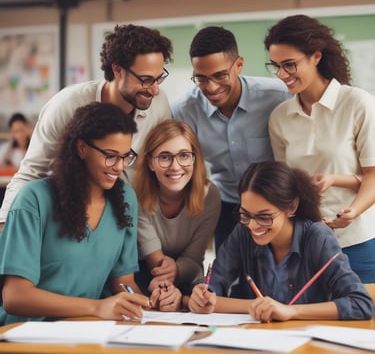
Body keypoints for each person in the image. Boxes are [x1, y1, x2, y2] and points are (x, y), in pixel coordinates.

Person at [0, 23, 173, 225]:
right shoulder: (66, 105)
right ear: (117, 70)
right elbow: (31, 173)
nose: (155, 90)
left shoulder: (158, 105)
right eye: (145, 80)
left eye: (158, 79)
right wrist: (4, 226)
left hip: (131, 220)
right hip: (69, 219)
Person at [0, 102, 154, 325]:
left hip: (85, 329)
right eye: (110, 155)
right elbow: (15, 297)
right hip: (26, 333)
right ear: (82, 148)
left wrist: (144, 300)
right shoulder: (34, 199)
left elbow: (122, 281)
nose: (119, 167)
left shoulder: (125, 199)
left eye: (125, 156)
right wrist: (97, 307)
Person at [264, 14, 375, 283]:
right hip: (306, 244)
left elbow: (372, 174)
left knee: (364, 319)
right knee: (312, 322)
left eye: (289, 65)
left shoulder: (357, 103)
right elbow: (285, 185)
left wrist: (353, 212)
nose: (282, 75)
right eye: (276, 66)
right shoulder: (279, 117)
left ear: (316, 56)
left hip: (358, 240)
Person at [188, 161, 374, 321]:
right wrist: (202, 292)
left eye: (264, 217)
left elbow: (361, 304)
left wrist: (291, 311)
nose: (253, 225)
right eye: (245, 215)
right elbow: (213, 288)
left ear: (291, 206)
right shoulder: (242, 233)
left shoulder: (318, 238)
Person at [171, 26, 291, 253]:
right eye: (201, 78)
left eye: (220, 75)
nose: (212, 87)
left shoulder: (278, 96)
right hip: (227, 206)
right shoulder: (183, 110)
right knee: (229, 279)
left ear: (238, 65)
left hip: (276, 205)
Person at [133, 119, 221, 311]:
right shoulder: (135, 193)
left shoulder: (210, 195)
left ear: (195, 159)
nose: (175, 166)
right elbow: (152, 255)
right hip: (147, 272)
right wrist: (166, 285)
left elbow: (194, 257)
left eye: (184, 155)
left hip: (186, 273)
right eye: (165, 157)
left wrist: (177, 272)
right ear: (150, 163)